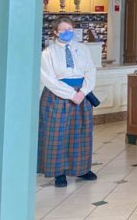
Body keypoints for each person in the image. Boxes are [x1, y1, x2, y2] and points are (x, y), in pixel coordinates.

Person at [38, 17, 98, 187]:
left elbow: (90, 70)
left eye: (70, 29)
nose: (67, 32)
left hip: (81, 95)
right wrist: (70, 94)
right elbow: (48, 79)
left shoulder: (82, 49)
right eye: (63, 30)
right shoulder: (48, 53)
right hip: (57, 96)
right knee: (56, 134)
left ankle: (82, 169)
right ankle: (58, 172)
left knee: (81, 132)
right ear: (55, 32)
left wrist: (84, 91)